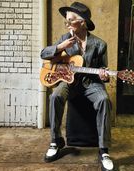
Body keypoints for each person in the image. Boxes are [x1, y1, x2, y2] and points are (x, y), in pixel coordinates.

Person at [40, 2, 114, 170]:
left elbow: (104, 71)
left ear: (83, 22)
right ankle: (55, 141)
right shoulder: (65, 39)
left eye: (71, 21)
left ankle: (103, 150)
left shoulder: (100, 44)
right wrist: (60, 47)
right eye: (66, 21)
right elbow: (44, 54)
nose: (67, 24)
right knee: (55, 96)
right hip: (68, 81)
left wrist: (104, 74)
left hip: (91, 83)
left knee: (103, 100)